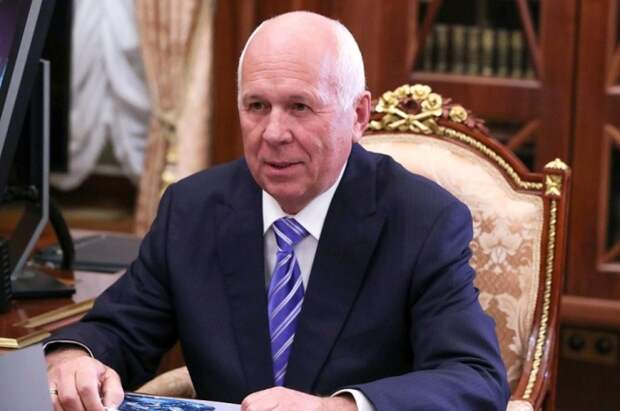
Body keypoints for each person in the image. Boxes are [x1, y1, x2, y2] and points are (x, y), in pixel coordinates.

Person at [45, 11, 510, 411]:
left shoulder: (422, 220)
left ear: (358, 115)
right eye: (257, 106)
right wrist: (75, 358)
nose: (273, 133)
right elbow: (120, 329)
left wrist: (337, 407)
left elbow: (474, 377)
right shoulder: (193, 209)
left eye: (300, 107)